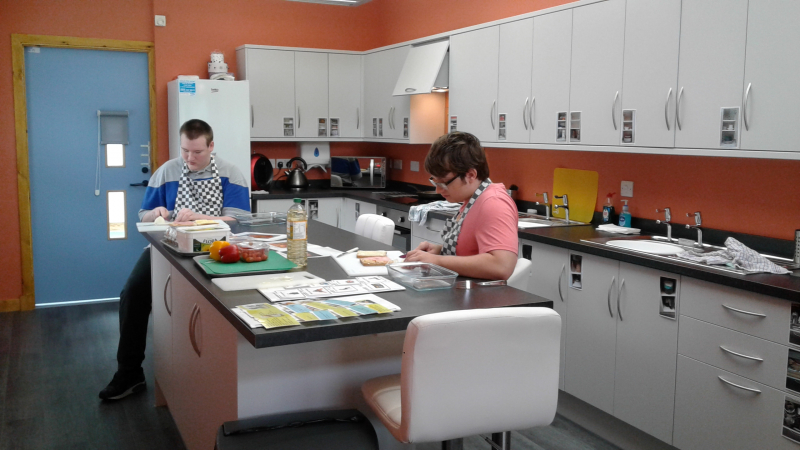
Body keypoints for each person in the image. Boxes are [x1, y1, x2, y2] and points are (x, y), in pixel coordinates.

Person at [99, 119, 250, 400]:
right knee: (132, 293)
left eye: (198, 152)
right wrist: (156, 212)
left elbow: (239, 222)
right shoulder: (166, 172)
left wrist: (200, 217)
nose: (190, 158)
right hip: (168, 247)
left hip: (219, 250)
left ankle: (217, 377)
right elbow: (143, 216)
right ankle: (129, 372)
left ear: (211, 147)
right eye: (185, 151)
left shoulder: (231, 174)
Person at [404, 131, 518, 280]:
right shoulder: (471, 199)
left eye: (444, 183)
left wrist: (437, 261)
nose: (438, 190)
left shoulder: (493, 203)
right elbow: (472, 251)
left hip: (481, 299)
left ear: (470, 175)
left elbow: (501, 265)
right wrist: (439, 251)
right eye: (435, 182)